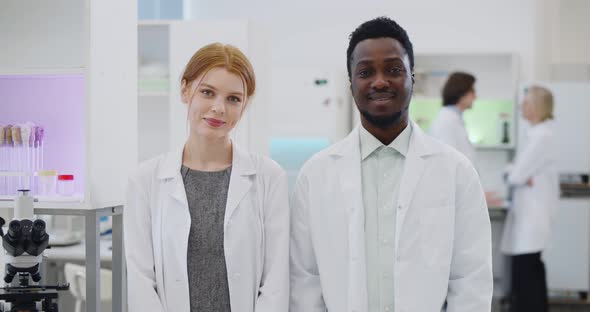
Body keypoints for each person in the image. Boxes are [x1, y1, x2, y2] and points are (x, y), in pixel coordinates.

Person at [289, 16, 493, 312]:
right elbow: (305, 281)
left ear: (412, 77)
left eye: (394, 69)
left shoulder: (456, 172)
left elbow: (471, 279)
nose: (380, 81)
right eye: (366, 71)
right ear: (351, 84)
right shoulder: (316, 175)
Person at [125, 43, 289, 312]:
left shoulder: (269, 178)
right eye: (207, 92)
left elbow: (276, 282)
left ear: (244, 105)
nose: (218, 108)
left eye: (233, 99)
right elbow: (141, 282)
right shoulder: (145, 180)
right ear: (185, 90)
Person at [501, 85, 558, 312]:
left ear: (535, 108)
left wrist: (515, 174)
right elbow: (517, 174)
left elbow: (514, 175)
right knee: (529, 283)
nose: (520, 107)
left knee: (528, 286)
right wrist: (518, 174)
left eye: (524, 103)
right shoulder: (537, 134)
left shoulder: (542, 137)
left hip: (532, 224)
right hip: (529, 221)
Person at [429, 72, 477, 166]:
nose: (475, 97)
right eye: (473, 92)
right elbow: (447, 163)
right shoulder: (447, 121)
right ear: (462, 93)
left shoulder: (452, 119)